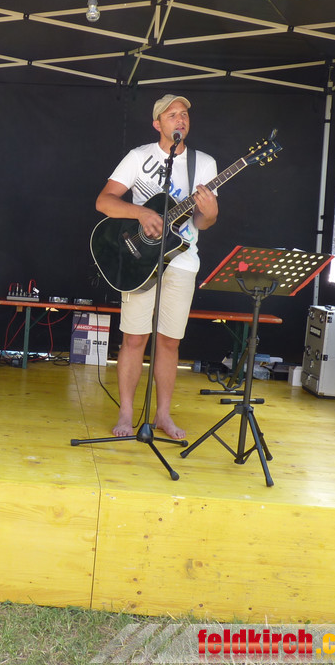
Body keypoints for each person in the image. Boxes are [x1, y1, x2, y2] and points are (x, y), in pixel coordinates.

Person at [95, 94, 218, 440]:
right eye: (172, 114)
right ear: (157, 124)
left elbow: (202, 222)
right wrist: (142, 213)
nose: (180, 119)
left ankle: (163, 415)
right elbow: (104, 201)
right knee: (134, 338)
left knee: (169, 342)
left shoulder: (203, 163)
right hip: (140, 260)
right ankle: (126, 413)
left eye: (184, 114)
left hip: (182, 260)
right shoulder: (139, 157)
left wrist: (210, 214)